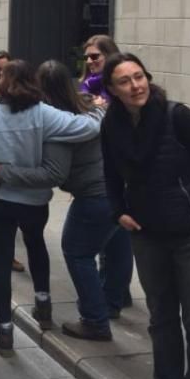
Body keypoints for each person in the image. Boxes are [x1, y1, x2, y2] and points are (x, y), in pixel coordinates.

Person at [101, 52, 190, 379]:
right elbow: (111, 173)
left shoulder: (178, 116)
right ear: (112, 90)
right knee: (161, 318)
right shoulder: (111, 125)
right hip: (146, 234)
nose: (135, 86)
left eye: (139, 77)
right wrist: (118, 212)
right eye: (125, 81)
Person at [0, 60, 101, 350]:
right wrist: (100, 109)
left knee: (0, 260)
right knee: (35, 243)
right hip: (34, 199)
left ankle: (4, 328)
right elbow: (89, 128)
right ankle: (43, 304)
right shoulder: (45, 114)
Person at [18, 61, 131, 342]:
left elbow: (55, 172)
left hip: (94, 196)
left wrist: (9, 173)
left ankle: (95, 320)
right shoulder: (90, 107)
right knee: (117, 246)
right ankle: (111, 303)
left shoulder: (59, 124)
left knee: (77, 252)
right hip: (120, 191)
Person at [79, 35, 120, 105]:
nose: (88, 61)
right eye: (86, 57)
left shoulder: (121, 84)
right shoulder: (87, 84)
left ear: (109, 55)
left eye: (94, 56)